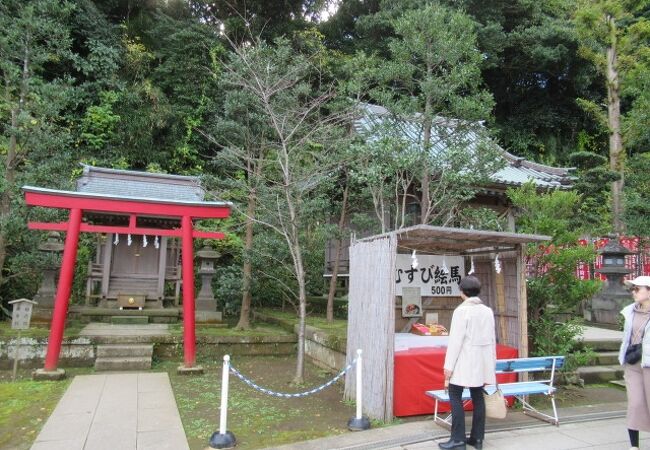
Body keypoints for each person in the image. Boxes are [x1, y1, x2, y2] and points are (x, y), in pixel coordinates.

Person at [439, 275, 496, 450]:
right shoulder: (487, 310)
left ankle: (458, 439)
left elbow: (455, 342)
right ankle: (477, 438)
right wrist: (491, 364)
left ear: (462, 292)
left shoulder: (461, 311)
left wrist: (448, 368)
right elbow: (492, 339)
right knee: (478, 397)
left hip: (464, 361)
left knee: (455, 396)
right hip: (481, 362)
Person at [620, 275, 650, 450]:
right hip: (633, 364)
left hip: (649, 364)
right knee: (635, 404)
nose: (634, 292)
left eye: (637, 288)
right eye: (633, 288)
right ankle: (634, 446)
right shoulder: (629, 311)